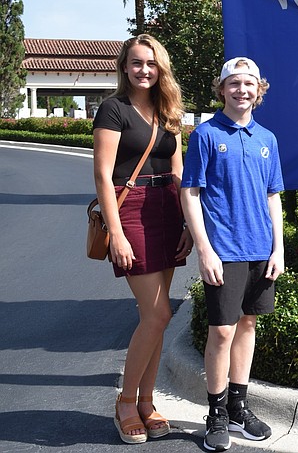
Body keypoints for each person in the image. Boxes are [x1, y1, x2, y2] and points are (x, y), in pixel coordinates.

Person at [93, 34, 193, 444]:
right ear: (125, 67)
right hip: (130, 210)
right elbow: (102, 175)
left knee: (154, 318)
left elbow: (180, 171)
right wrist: (115, 232)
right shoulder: (113, 109)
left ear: (161, 67)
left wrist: (189, 223)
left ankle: (148, 402)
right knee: (158, 315)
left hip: (168, 208)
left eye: (151, 63)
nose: (144, 70)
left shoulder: (168, 111)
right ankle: (126, 401)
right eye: (137, 63)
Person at [181, 57, 285, 452]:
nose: (242, 90)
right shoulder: (205, 135)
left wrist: (279, 248)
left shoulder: (267, 139)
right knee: (222, 331)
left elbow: (273, 195)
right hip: (224, 249)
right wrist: (204, 249)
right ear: (221, 89)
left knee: (248, 326)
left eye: (250, 84)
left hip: (262, 249)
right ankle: (216, 413)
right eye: (235, 83)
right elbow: (189, 192)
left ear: (260, 91)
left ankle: (240, 408)